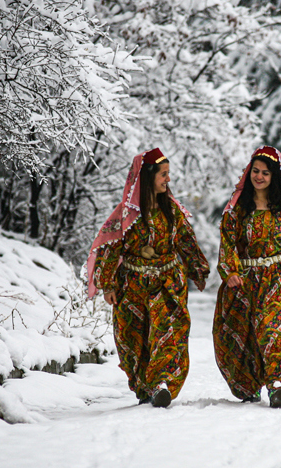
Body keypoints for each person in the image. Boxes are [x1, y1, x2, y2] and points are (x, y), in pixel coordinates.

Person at [86, 148, 209, 408]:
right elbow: (112, 247)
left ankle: (162, 383)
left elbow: (186, 241)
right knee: (133, 340)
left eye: (169, 174)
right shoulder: (125, 214)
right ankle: (145, 386)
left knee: (168, 333)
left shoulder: (173, 211)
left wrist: (198, 269)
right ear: (147, 177)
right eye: (163, 174)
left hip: (167, 284)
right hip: (132, 285)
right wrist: (107, 283)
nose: (168, 180)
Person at [213, 145, 281, 408]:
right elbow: (227, 243)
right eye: (255, 171)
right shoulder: (237, 209)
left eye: (265, 172)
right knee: (242, 336)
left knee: (277, 330)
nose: (259, 176)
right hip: (245, 282)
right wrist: (230, 272)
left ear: (274, 177)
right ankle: (248, 388)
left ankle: (277, 385)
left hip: (279, 278)